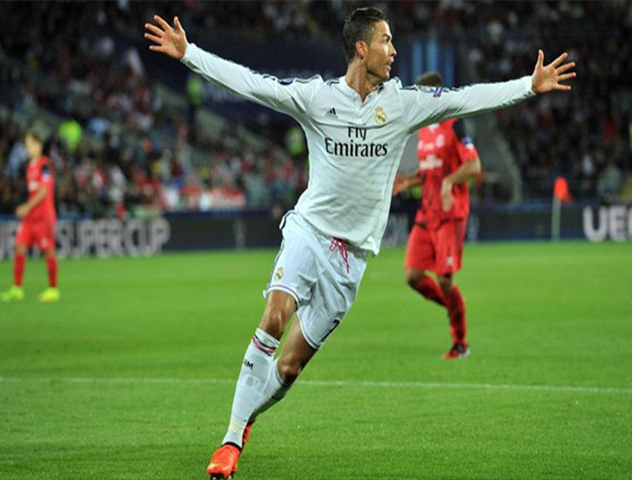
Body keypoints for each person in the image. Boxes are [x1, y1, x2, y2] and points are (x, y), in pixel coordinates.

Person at [145, 7, 575, 479]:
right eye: (386, 41)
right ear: (361, 48)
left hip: (351, 261)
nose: (394, 51)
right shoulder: (317, 97)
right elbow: (251, 84)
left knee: (289, 370)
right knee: (274, 316)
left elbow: (465, 99)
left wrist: (527, 86)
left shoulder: (404, 104)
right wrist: (190, 55)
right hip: (309, 232)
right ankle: (230, 441)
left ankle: (246, 419)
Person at [393, 70, 481, 360]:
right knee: (413, 276)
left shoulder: (456, 125)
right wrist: (408, 182)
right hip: (427, 214)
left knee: (444, 280)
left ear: (436, 96)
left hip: (450, 214)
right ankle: (454, 306)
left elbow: (474, 166)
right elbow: (430, 171)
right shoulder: (426, 131)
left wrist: (449, 182)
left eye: (422, 96)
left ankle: (460, 343)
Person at [0, 130, 60, 303]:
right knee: (20, 246)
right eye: (27, 145)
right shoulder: (29, 166)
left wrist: (26, 206)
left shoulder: (45, 165)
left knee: (47, 251)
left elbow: (44, 191)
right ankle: (17, 289)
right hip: (31, 217)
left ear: (39, 145)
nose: (29, 148)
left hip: (44, 216)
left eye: (32, 144)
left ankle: (53, 289)